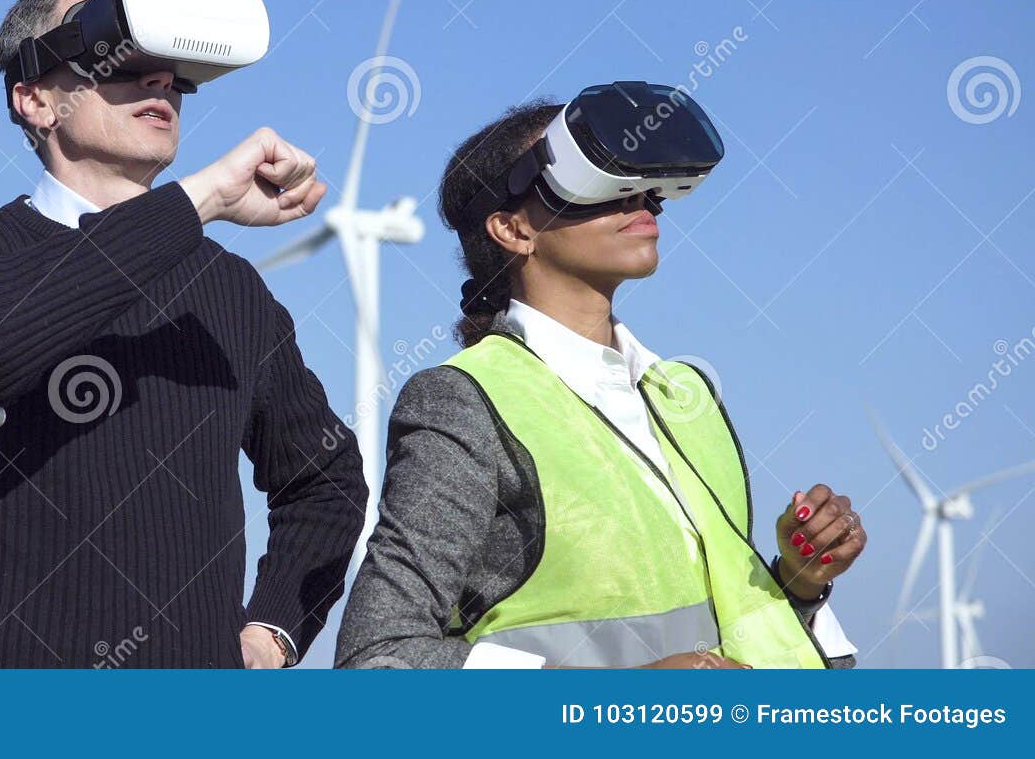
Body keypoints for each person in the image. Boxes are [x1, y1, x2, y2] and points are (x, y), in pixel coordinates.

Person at [0, 0, 367, 668]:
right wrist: (199, 200)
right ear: (35, 99)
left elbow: (326, 479)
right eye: (117, 55)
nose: (159, 81)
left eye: (172, 68)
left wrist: (273, 630)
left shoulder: (231, 289)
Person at [337, 91, 866, 669]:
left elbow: (725, 630)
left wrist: (799, 581)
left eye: (640, 178)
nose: (637, 196)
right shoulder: (464, 400)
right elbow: (377, 656)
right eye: (594, 176)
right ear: (513, 229)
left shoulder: (684, 393)